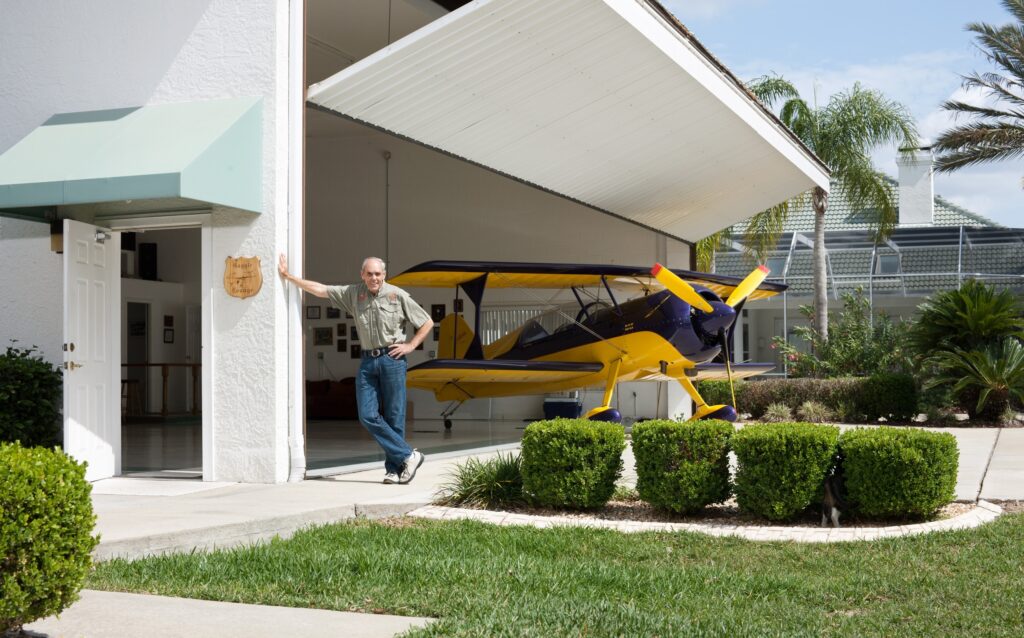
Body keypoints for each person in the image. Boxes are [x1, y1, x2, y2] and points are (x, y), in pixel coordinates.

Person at [279, 254, 433, 484]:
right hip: (368, 362)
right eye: (369, 274)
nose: (374, 278)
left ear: (384, 275)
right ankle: (409, 456)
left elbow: (427, 322)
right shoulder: (353, 293)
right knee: (367, 415)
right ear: (362, 275)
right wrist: (289, 277)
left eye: (378, 274)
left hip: (392, 359)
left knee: (394, 415)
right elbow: (321, 290)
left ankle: (394, 469)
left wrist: (411, 345)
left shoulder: (397, 295)